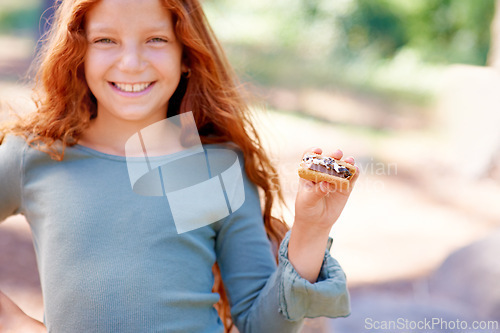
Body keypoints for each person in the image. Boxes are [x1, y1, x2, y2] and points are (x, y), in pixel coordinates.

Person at [0, 0, 359, 332]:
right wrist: (14, 322)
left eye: (156, 39)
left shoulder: (206, 169)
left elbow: (260, 325)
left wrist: (311, 229)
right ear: (78, 51)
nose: (131, 62)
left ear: (186, 54)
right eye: (106, 40)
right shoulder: (39, 156)